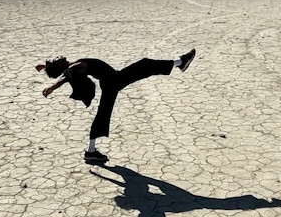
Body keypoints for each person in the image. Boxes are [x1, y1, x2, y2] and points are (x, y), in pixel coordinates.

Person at [38, 49, 196, 162]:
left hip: (110, 82)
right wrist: (52, 86)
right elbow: (65, 75)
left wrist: (45, 67)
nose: (57, 56)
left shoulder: (72, 65)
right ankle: (180, 62)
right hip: (115, 80)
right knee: (145, 64)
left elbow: (63, 73)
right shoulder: (73, 67)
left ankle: (91, 151)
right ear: (59, 65)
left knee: (103, 114)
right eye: (55, 59)